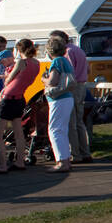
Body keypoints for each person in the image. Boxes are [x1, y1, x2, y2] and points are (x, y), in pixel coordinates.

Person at [0, 38, 40, 174]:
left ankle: (2, 165)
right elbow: (22, 78)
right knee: (19, 133)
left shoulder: (20, 62)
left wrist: (5, 77)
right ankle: (20, 161)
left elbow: (9, 80)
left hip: (8, 99)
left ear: (19, 50)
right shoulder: (36, 63)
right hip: (20, 98)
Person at [54, 30, 93, 163]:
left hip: (73, 87)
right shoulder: (79, 50)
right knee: (80, 122)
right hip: (82, 85)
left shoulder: (67, 52)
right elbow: (88, 69)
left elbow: (69, 74)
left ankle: (75, 154)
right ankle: (85, 151)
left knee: (72, 122)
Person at [43, 35, 76, 173]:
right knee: (62, 129)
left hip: (58, 99)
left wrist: (43, 79)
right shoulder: (66, 60)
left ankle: (62, 162)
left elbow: (53, 81)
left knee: (54, 130)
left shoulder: (56, 62)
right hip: (67, 97)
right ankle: (66, 159)